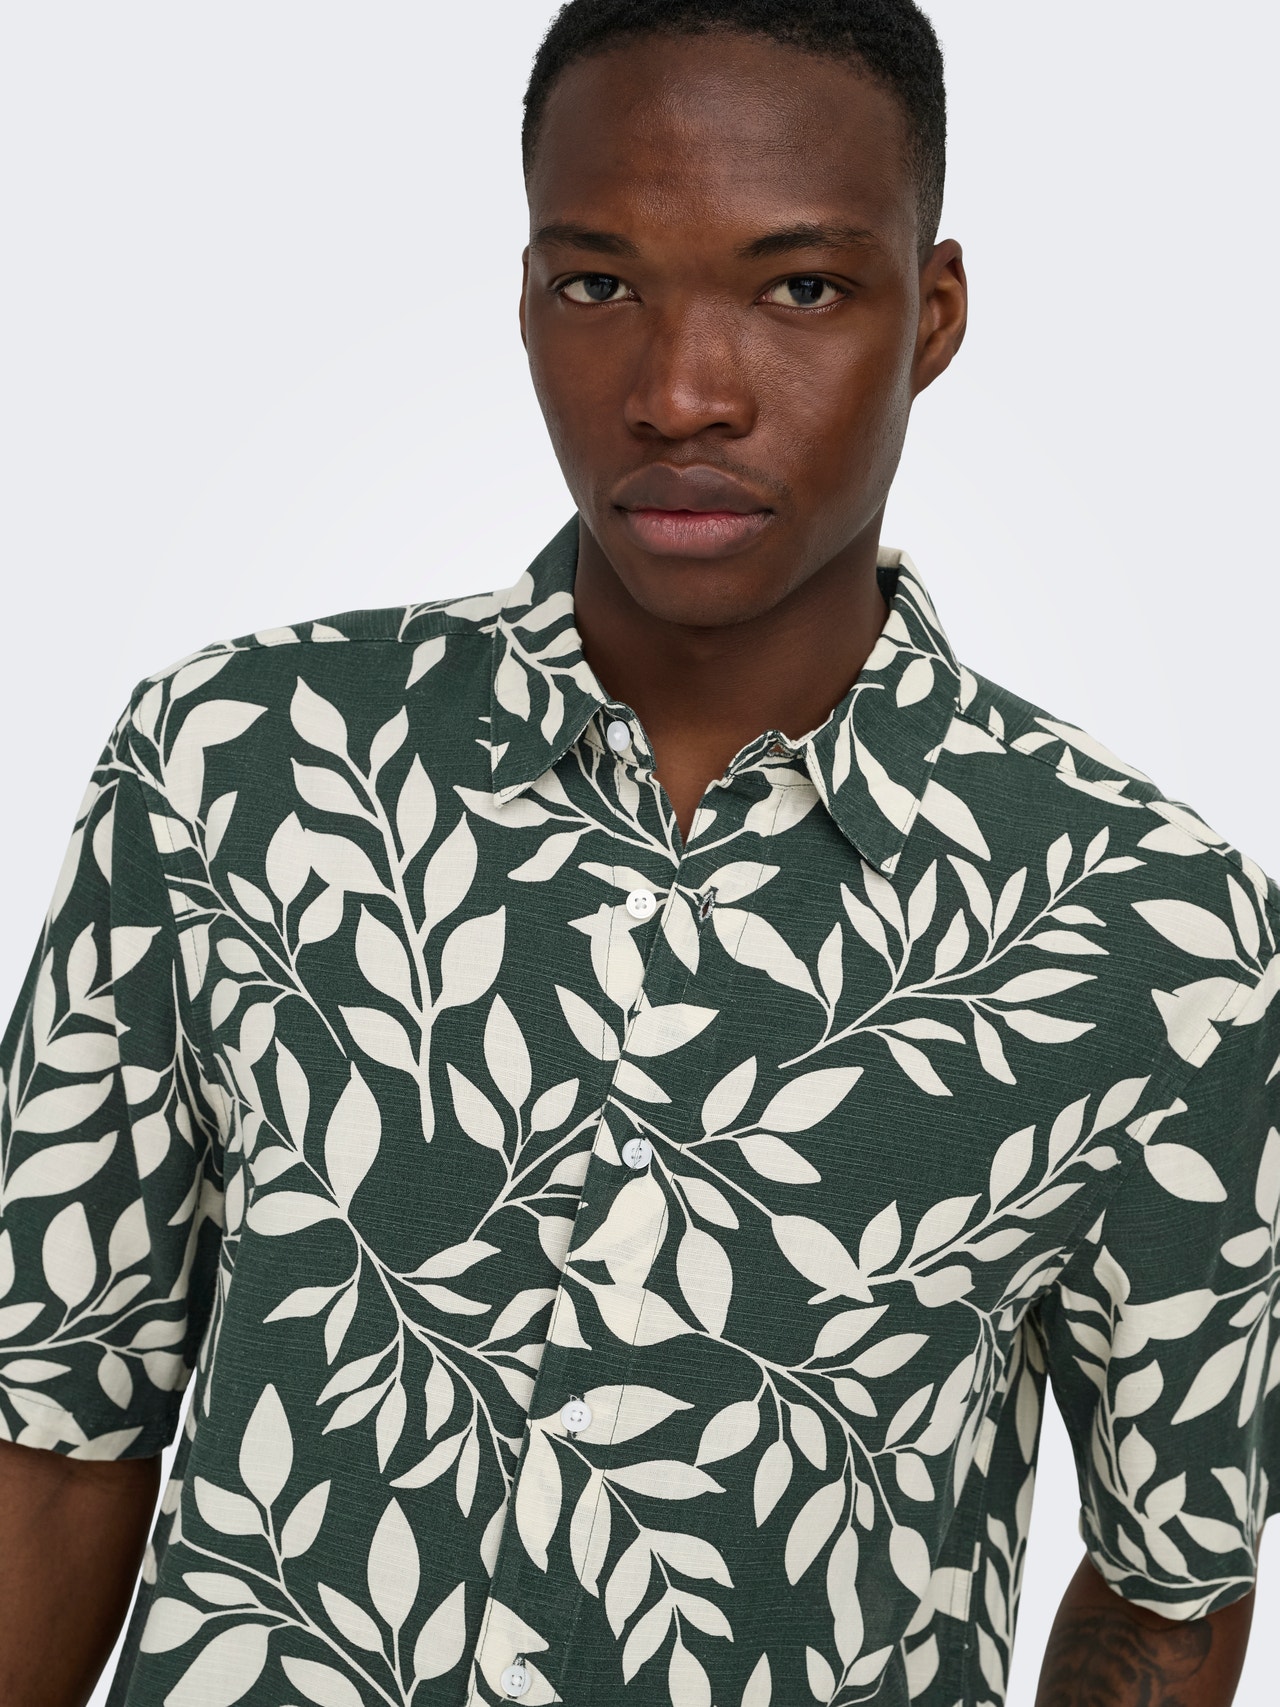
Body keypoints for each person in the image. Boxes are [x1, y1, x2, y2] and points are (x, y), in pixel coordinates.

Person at [0, 0, 1274, 1702]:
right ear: (527, 296)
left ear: (933, 315)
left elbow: (1165, 1584)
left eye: (799, 288)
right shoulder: (237, 768)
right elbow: (53, 1425)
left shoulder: (1152, 929)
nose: (681, 394)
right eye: (599, 284)